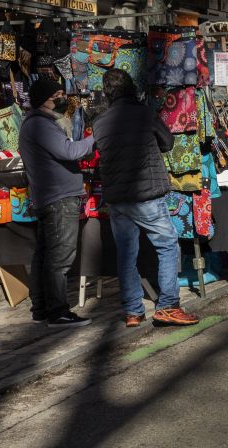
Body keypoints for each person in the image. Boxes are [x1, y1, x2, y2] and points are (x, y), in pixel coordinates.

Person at [93, 69, 199, 328]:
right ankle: (168, 306)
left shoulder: (99, 122)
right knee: (167, 245)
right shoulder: (143, 113)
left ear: (107, 93)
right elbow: (168, 142)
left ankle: (132, 311)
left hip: (118, 197)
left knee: (126, 254)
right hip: (145, 193)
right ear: (131, 88)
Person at [18, 78, 96, 328]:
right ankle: (58, 311)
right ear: (45, 98)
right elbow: (69, 152)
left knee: (46, 255)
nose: (62, 100)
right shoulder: (40, 125)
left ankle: (41, 308)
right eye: (58, 95)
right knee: (59, 257)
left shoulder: (38, 124)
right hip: (58, 198)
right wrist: (94, 139)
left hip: (51, 197)